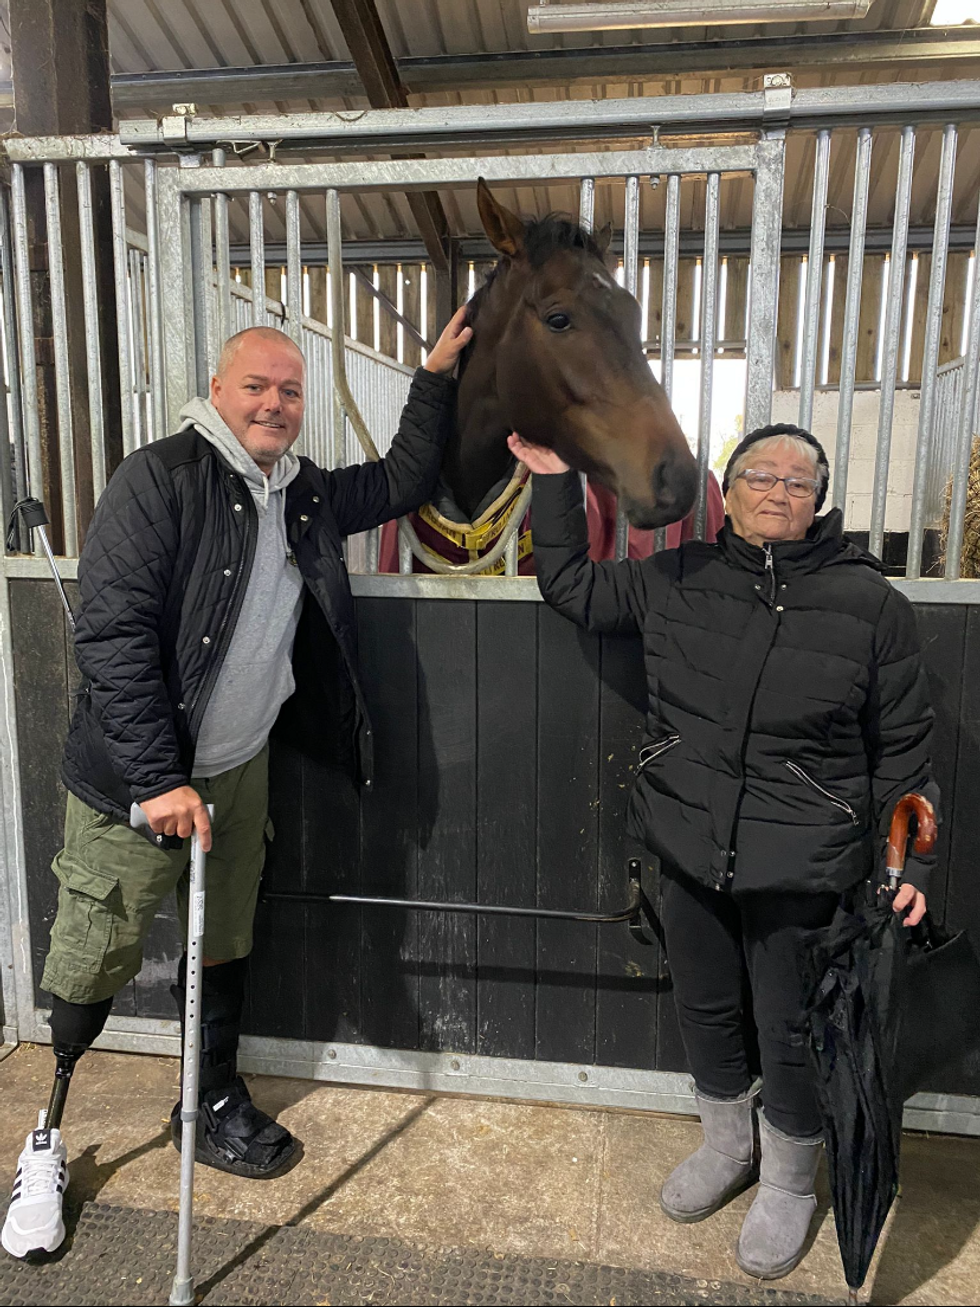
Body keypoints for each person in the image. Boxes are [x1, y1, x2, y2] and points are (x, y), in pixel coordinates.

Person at [1, 310, 472, 1260]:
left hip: (241, 764)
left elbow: (404, 480)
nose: (275, 403)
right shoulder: (159, 478)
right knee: (93, 951)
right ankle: (45, 1132)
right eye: (257, 385)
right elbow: (112, 635)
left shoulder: (304, 494)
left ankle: (207, 1097)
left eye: (290, 391)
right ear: (218, 392)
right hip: (135, 781)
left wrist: (432, 377)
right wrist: (158, 775)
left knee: (226, 940)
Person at [508, 421, 936, 1282]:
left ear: (819, 502)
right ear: (728, 489)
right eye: (761, 476)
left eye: (799, 482)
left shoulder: (870, 604)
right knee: (705, 1006)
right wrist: (555, 479)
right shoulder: (677, 575)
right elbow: (572, 587)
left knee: (788, 1026)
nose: (779, 492)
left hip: (805, 856)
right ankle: (726, 1146)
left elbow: (907, 749)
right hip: (688, 838)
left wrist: (913, 865)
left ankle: (787, 1181)